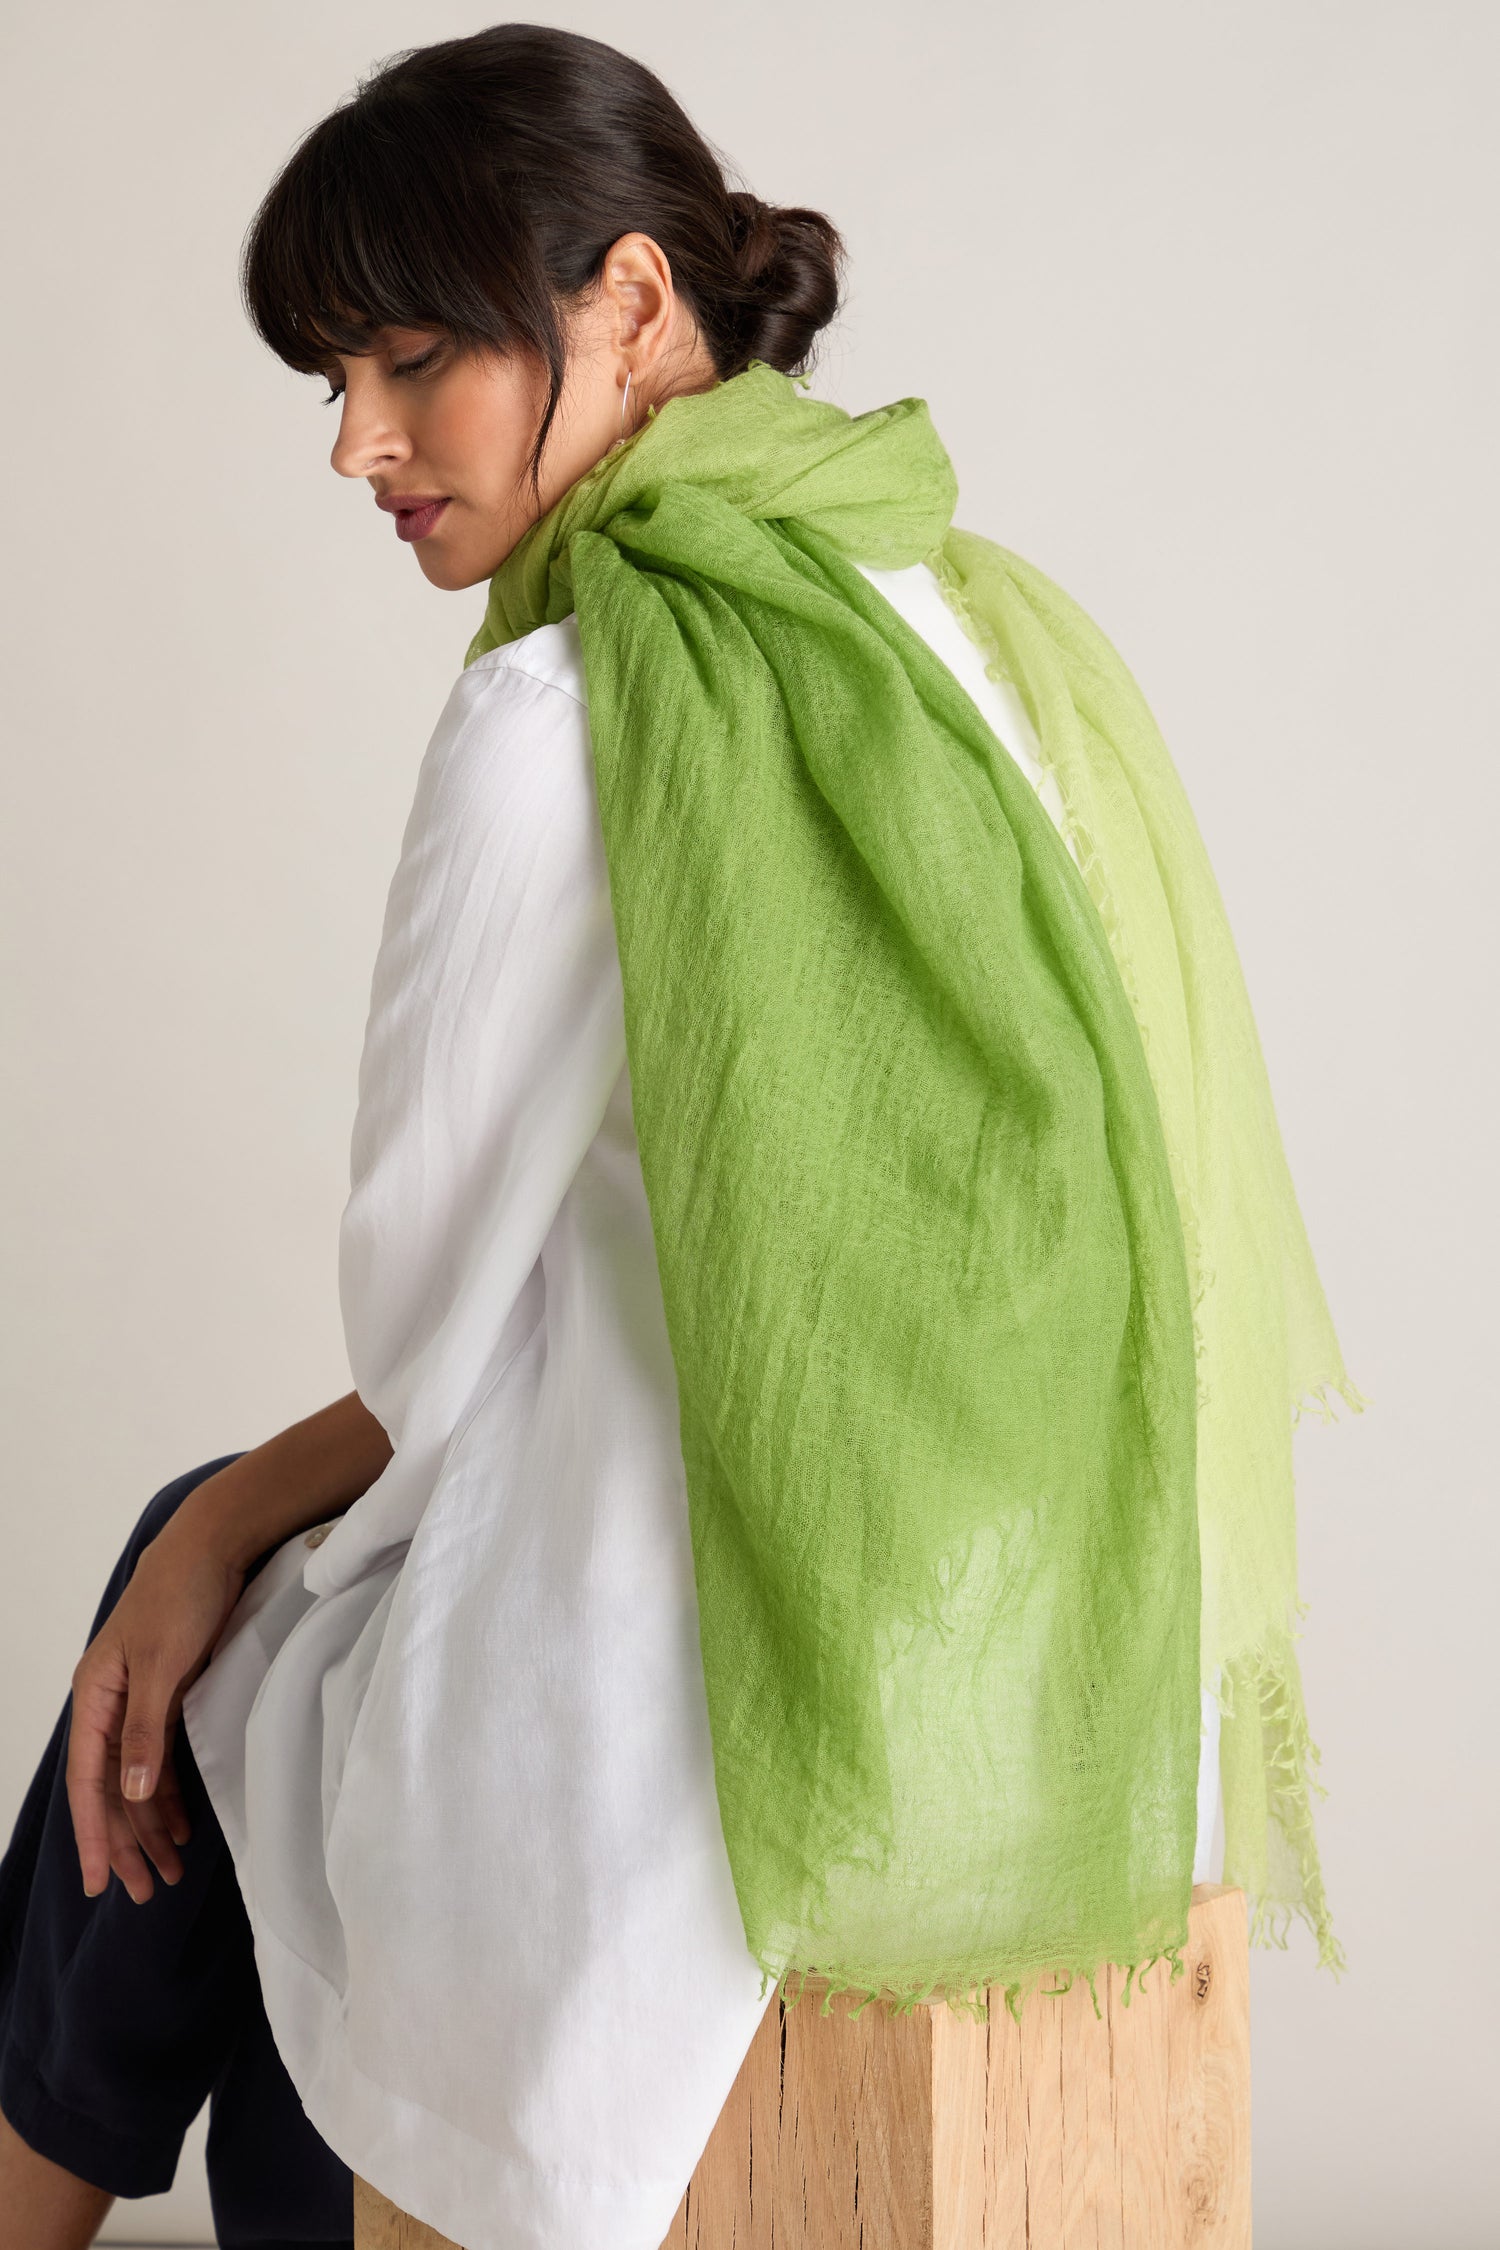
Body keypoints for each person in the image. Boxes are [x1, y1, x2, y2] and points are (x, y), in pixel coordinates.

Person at [0, 22, 1364, 2250]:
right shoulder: (990, 631)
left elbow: (429, 1345)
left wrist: (216, 1523)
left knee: (189, 1598)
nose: (354, 443)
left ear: (633, 304)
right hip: (1061, 1633)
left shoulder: (567, 707)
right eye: (325, 380)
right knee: (217, 1614)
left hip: (713, 1695)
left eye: (413, 357)